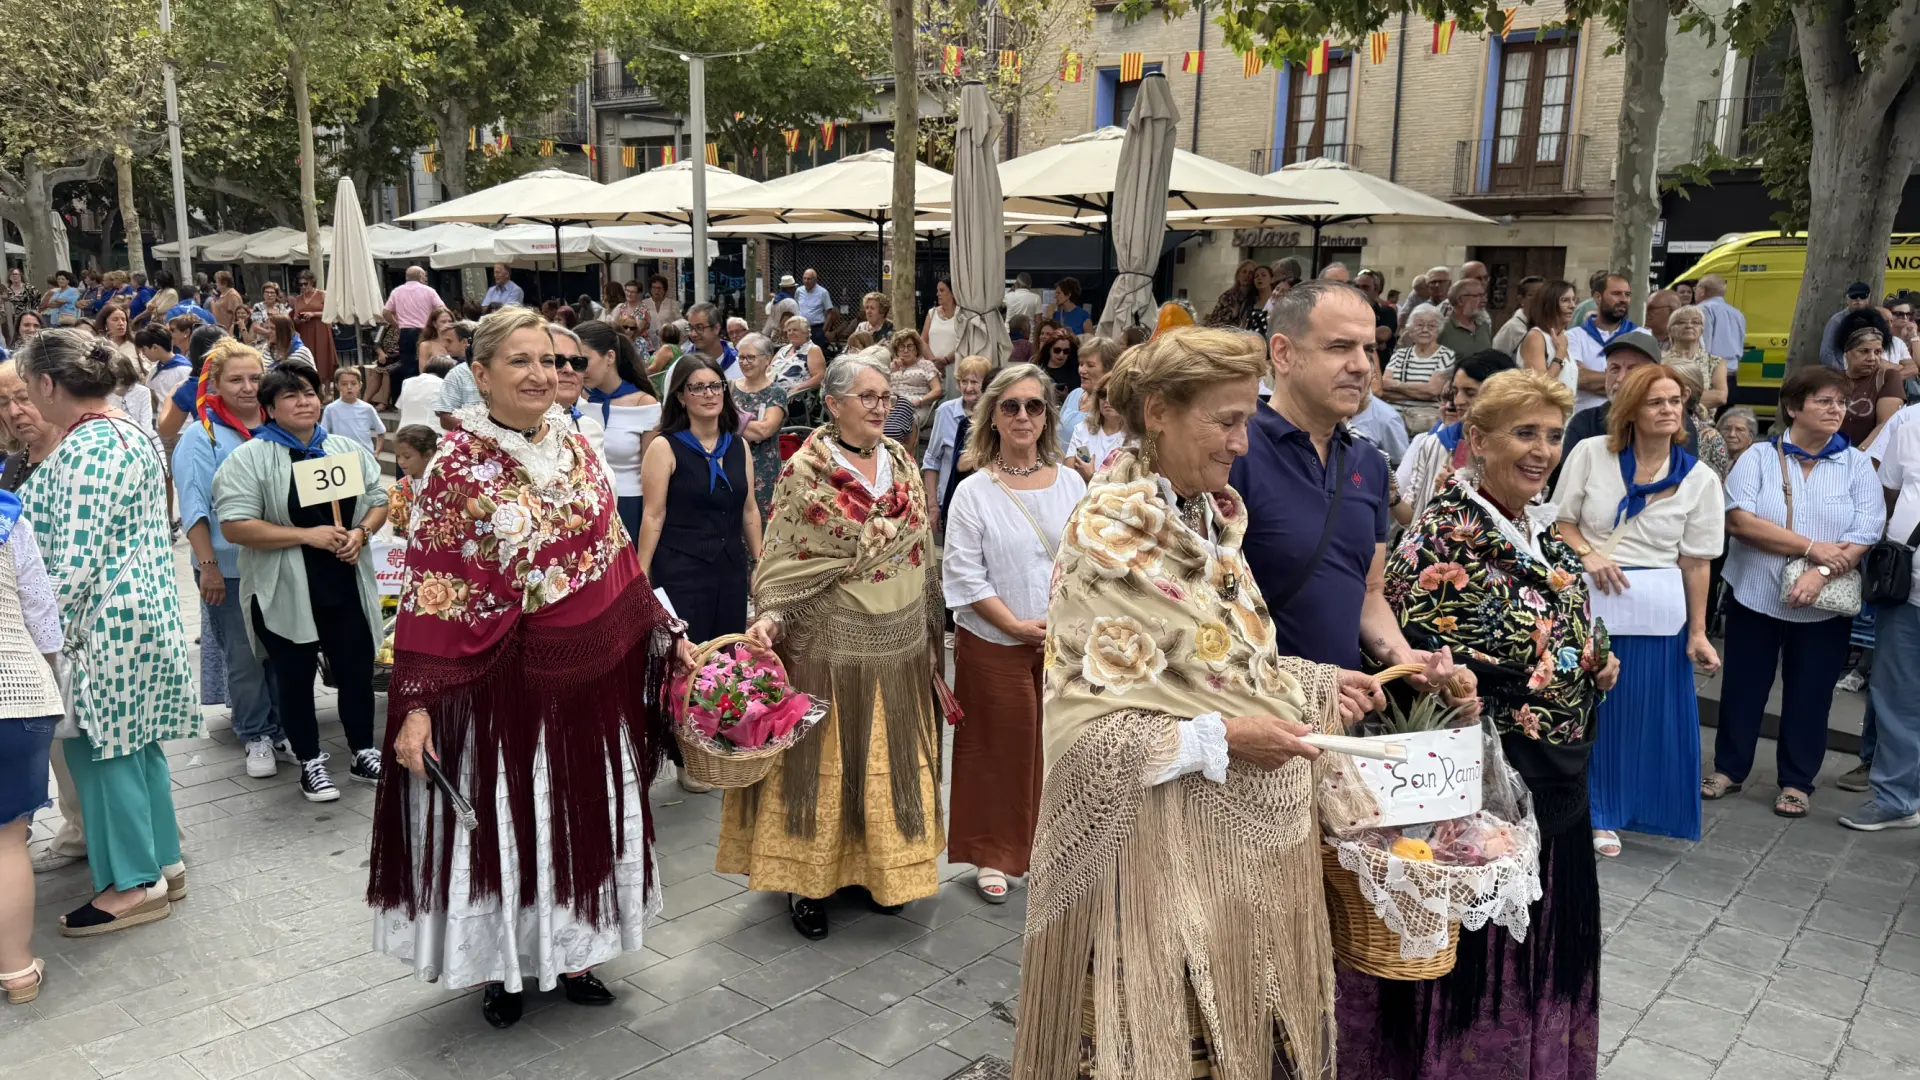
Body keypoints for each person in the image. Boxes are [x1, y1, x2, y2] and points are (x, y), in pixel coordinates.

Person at [1011, 326, 1379, 1080]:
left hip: (1233, 865)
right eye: (1226, 420)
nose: (1242, 443)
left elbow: (1220, 658)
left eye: (1246, 419)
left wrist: (1312, 683)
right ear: (1158, 413)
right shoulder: (1111, 530)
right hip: (1153, 865)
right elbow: (1087, 730)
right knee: (1159, 1048)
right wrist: (1221, 740)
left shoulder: (1208, 517)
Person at [368, 306, 687, 1028]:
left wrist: (663, 630)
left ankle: (576, 951)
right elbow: (431, 589)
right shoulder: (457, 464)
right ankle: (503, 968)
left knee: (581, 815)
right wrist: (416, 705)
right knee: (515, 822)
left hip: (591, 678)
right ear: (479, 374)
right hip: (498, 687)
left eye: (553, 360)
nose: (544, 374)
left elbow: (613, 551)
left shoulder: (575, 442)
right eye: (521, 360)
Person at [1340, 367, 1617, 1080]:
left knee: (1541, 958)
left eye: (1554, 436)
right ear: (1477, 440)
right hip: (1482, 805)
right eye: (1524, 433)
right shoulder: (1439, 540)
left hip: (1556, 785)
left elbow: (1571, 631)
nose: (1542, 450)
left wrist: (1595, 663)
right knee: (1478, 971)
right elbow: (1412, 677)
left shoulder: (1543, 532)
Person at [730, 354, 944, 940]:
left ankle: (876, 874)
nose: (881, 407)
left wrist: (930, 630)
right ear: (833, 405)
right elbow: (785, 557)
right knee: (821, 766)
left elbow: (921, 548)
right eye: (868, 397)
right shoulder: (807, 472)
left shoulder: (899, 458)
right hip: (828, 639)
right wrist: (771, 617)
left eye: (885, 397)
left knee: (881, 761)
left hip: (898, 638)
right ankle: (808, 883)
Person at [16, 330, 198, 935]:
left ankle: (132, 884)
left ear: (47, 385)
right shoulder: (122, 431)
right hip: (133, 615)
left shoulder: (92, 446)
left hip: (101, 628)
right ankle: (161, 862)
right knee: (135, 748)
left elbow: (72, 561)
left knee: (102, 752)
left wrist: (40, 638)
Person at [1233, 285, 1476, 699]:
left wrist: (1404, 657)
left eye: (1367, 348)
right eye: (1340, 347)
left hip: (1345, 717)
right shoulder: (1236, 450)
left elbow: (1369, 592)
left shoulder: (1369, 463)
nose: (1362, 365)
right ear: (1283, 353)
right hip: (1257, 712)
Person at [1554, 365, 1724, 857]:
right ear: (1630, 410)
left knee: (1647, 714)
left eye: (1675, 401)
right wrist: (1590, 554)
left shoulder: (1700, 478)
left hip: (1658, 614)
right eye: (1656, 402)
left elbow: (1696, 564)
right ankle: (1596, 812)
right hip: (1590, 600)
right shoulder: (1590, 455)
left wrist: (1698, 632)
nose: (1669, 410)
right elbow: (1561, 523)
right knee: (1591, 709)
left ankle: (1636, 807)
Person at [1705, 366, 1883, 819]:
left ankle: (1797, 781)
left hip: (1824, 605)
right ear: (1793, 407)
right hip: (1756, 593)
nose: (1836, 410)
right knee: (1744, 688)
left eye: (1841, 403)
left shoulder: (1856, 464)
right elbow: (1740, 521)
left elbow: (1866, 530)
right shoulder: (1760, 458)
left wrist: (1820, 570)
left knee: (1811, 693)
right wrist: (1809, 546)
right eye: (1824, 401)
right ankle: (1729, 768)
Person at [941, 363, 1082, 904]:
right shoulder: (975, 491)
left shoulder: (1072, 481)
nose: (1024, 416)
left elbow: (1088, 559)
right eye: (1011, 406)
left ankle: (1050, 848)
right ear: (992, 417)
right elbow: (964, 575)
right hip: (995, 640)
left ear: (1047, 416)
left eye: (1035, 406)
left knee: (1059, 746)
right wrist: (1016, 625)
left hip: (1063, 644)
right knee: (999, 748)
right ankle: (993, 854)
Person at [215, 363, 387, 802]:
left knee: (355, 672)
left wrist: (360, 532)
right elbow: (234, 525)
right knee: (292, 677)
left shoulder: (344, 448)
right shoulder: (250, 458)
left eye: (309, 392)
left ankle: (363, 750)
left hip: (345, 582)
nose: (303, 402)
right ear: (270, 408)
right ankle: (310, 760)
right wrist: (304, 535)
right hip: (285, 589)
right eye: (290, 396)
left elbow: (377, 499)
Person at [172, 340, 291, 780]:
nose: (247, 388)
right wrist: (208, 566)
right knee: (244, 657)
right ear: (216, 384)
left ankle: (280, 726)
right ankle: (255, 732)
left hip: (280, 561)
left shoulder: (277, 425)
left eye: (255, 378)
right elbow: (194, 505)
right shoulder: (201, 435)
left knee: (283, 650)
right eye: (236, 379)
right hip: (230, 567)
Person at [637, 355, 761, 645]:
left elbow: (750, 509)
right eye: (698, 388)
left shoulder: (738, 445)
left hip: (730, 568)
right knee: (688, 655)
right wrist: (642, 573)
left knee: (727, 654)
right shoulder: (664, 446)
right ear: (681, 396)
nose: (709, 394)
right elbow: (654, 514)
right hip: (681, 568)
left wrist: (760, 563)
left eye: (716, 386)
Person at [1843, 413, 1920, 830]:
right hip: (1908, 591)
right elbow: (1887, 497)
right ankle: (1896, 798)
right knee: (1897, 697)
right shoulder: (1910, 423)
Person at [0, 481, 61, 998]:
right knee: (7, 840)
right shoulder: (10, 519)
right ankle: (17, 970)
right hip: (19, 695)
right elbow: (43, 618)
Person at [575, 320, 661, 544]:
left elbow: (652, 477)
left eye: (583, 361)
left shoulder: (645, 404)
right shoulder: (574, 399)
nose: (577, 369)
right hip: (583, 505)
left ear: (610, 357)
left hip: (628, 504)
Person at [1561, 330, 1703, 455]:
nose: (1621, 378)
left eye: (1632, 369)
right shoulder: (1586, 423)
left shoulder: (1673, 421)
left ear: (1655, 375)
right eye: (1614, 369)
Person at [921, 355, 991, 532]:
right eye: (963, 381)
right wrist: (933, 506)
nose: (968, 387)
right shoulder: (945, 412)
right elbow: (931, 460)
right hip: (951, 502)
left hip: (987, 505)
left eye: (975, 382)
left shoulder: (995, 415)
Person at [729, 333, 788, 522]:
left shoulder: (776, 393)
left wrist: (727, 421)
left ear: (767, 360)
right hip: (730, 463)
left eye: (750, 357)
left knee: (759, 523)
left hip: (762, 468)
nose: (744, 362)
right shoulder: (729, 388)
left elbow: (764, 430)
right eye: (741, 357)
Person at [1566, 272, 1636, 413]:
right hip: (1583, 421)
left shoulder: (1641, 335)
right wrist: (1629, 383)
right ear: (1598, 297)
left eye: (1627, 295)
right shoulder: (1573, 336)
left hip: (1627, 419)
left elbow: (1646, 382)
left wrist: (1593, 379)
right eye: (1616, 294)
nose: (1623, 299)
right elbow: (1578, 378)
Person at [1835, 310, 1903, 446]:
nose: (1872, 358)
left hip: (1867, 460)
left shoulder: (1888, 377)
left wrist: (1858, 456)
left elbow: (1885, 425)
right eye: (1864, 351)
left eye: (1877, 352)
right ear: (1847, 352)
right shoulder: (1832, 379)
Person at [1382, 304, 1454, 433]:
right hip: (1393, 420)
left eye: (1431, 326)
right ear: (1410, 329)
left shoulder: (1446, 355)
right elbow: (1384, 387)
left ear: (1438, 329)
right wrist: (1423, 393)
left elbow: (1433, 390)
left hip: (1425, 423)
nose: (1425, 330)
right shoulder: (1399, 354)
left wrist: (1397, 385)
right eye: (1419, 325)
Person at [1662, 303, 1729, 418]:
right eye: (1681, 322)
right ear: (1670, 329)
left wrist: (1673, 397)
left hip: (1703, 424)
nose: (1689, 325)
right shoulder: (1660, 360)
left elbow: (1720, 396)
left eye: (1695, 322)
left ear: (1701, 329)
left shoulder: (1715, 361)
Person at [383, 267, 441, 398]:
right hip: (425, 332)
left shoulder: (397, 292)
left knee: (408, 367)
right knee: (427, 364)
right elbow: (441, 309)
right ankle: (427, 396)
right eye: (425, 276)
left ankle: (410, 399)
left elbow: (386, 313)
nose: (425, 279)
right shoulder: (429, 291)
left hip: (406, 333)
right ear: (421, 276)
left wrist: (396, 324)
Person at [882, 329, 941, 448]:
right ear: (896, 350)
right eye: (901, 347)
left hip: (918, 407)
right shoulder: (891, 367)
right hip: (894, 406)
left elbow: (937, 390)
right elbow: (881, 389)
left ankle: (908, 457)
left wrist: (920, 400)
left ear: (917, 349)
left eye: (910, 346)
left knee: (909, 419)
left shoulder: (926, 365)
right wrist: (890, 371)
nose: (905, 350)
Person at [1057, 335, 1121, 441]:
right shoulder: (1074, 394)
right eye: (1081, 364)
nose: (1082, 370)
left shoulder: (1111, 405)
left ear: (1109, 369)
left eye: (1090, 365)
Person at [1518, 278, 1577, 390]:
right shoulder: (1536, 337)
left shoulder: (1562, 338)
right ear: (1549, 304)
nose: (1572, 305)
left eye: (1574, 300)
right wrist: (1560, 354)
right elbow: (1539, 387)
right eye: (1565, 300)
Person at [385, 424, 438, 539]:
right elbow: (394, 533)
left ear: (427, 455)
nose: (401, 462)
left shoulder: (446, 485)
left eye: (407, 457)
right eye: (398, 456)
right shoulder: (397, 491)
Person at [323, 368, 385, 457]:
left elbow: (381, 431)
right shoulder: (331, 409)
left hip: (365, 456)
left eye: (353, 383)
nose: (349, 387)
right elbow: (324, 435)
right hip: (341, 456)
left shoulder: (367, 408)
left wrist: (377, 452)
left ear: (360, 385)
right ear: (337, 386)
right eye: (344, 384)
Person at [291, 269, 336, 384]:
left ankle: (327, 390)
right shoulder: (298, 299)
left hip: (321, 329)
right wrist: (297, 319)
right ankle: (315, 387)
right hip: (305, 330)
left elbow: (331, 313)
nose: (303, 287)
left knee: (323, 357)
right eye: (301, 284)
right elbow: (296, 315)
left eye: (305, 284)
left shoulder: (322, 294)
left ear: (312, 282)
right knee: (308, 357)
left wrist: (314, 314)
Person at [1821, 281, 1879, 370]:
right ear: (1847, 298)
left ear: (1869, 298)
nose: (1858, 300)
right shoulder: (1837, 320)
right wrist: (1841, 372)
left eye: (1863, 296)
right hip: (1844, 371)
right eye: (1854, 296)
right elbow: (1826, 352)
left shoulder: (1875, 318)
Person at [1695, 273, 1747, 369]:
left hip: (1711, 371)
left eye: (1696, 288)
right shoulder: (1737, 313)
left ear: (1702, 291)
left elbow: (1703, 343)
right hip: (1732, 369)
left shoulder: (1703, 309)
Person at [771, 315, 825, 397]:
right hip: (771, 393)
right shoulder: (784, 349)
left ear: (806, 333)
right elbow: (768, 369)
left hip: (795, 397)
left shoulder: (813, 350)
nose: (791, 333)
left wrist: (798, 388)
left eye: (795, 330)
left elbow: (820, 377)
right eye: (788, 330)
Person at [1437, 277, 1493, 356]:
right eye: (1478, 296)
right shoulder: (1441, 329)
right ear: (1460, 300)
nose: (1484, 300)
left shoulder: (1484, 326)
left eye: (1484, 295)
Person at [398, 355, 452, 435]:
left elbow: (400, 408)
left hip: (404, 433)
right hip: (431, 436)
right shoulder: (445, 385)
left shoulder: (407, 382)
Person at [683, 302, 739, 376]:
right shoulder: (681, 366)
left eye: (699, 328)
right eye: (690, 328)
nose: (693, 334)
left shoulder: (740, 365)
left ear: (716, 328)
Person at [922, 276, 961, 382]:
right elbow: (923, 341)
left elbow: (963, 342)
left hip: (955, 368)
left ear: (952, 293)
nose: (938, 294)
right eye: (937, 291)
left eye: (942, 290)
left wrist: (945, 360)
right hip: (932, 369)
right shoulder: (932, 313)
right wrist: (933, 362)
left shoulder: (961, 315)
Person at [1492, 275, 1543, 354]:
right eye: (1532, 295)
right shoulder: (1512, 328)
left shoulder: (1548, 327)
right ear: (1521, 299)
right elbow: (1496, 358)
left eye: (1542, 295)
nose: (1538, 300)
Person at [1035, 325, 1079, 403]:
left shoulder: (1076, 370)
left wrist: (1066, 397)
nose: (1061, 355)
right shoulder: (1038, 369)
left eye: (1066, 351)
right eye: (1057, 350)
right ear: (1049, 349)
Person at [794, 268, 833, 348]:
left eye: (809, 279)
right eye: (804, 278)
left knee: (816, 352)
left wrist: (823, 331)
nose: (806, 281)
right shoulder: (799, 291)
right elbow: (796, 306)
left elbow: (829, 312)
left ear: (815, 280)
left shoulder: (823, 292)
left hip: (817, 329)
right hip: (801, 328)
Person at [641, 275, 679, 348]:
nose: (656, 291)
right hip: (649, 343)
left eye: (659, 288)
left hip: (668, 343)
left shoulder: (672, 304)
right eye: (654, 287)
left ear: (664, 290)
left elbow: (680, 322)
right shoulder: (643, 304)